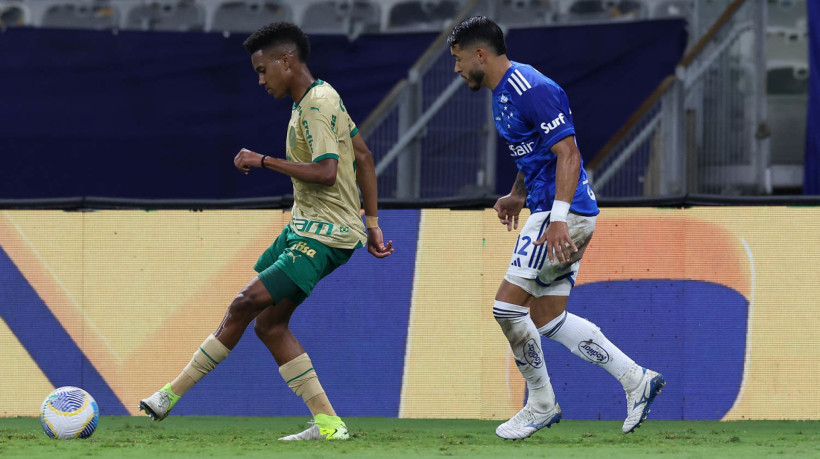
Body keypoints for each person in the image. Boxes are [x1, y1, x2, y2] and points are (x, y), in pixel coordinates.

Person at [139, 22, 394, 441]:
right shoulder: (318, 99)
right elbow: (363, 157)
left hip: (323, 234)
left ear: (286, 60)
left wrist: (263, 160)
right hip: (309, 227)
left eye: (262, 69)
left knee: (244, 303)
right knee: (268, 325)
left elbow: (328, 173)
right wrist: (371, 224)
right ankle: (329, 425)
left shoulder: (316, 104)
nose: (260, 80)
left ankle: (169, 395)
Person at [448, 16, 665, 439]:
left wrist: (559, 219)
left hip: (561, 215)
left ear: (480, 54)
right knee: (548, 318)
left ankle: (541, 404)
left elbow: (569, 154)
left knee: (506, 309)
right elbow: (536, 156)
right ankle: (635, 378)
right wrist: (516, 193)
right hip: (552, 211)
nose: (456, 69)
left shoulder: (533, 89)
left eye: (458, 60)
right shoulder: (502, 94)